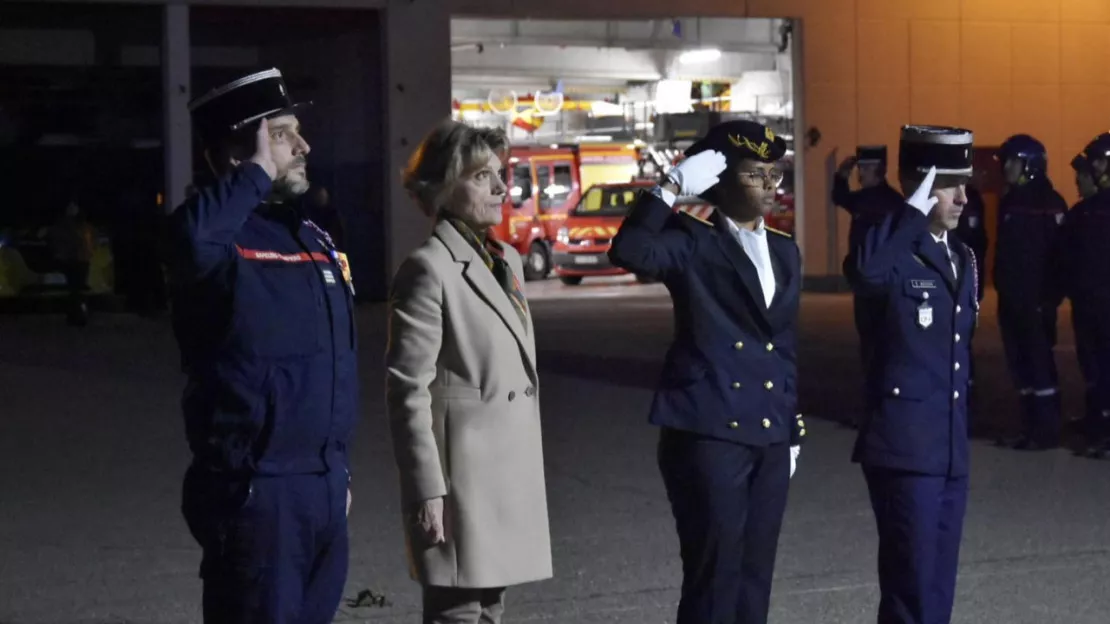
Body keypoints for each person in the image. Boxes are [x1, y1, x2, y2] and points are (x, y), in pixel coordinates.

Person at [165, 68, 358, 623]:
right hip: (258, 493)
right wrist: (255, 171)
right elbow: (192, 242)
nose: (303, 146)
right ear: (235, 150)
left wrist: (335, 474)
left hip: (321, 489)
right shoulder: (215, 237)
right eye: (281, 134)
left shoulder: (307, 235)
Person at [608, 120, 806, 624]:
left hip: (767, 430)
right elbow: (628, 250)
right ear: (717, 178)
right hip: (709, 429)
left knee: (755, 577)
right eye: (754, 174)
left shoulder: (785, 249)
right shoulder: (692, 242)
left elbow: (780, 346)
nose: (768, 185)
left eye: (774, 174)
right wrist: (670, 187)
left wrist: (790, 420)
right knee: (714, 577)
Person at [385, 119, 552, 624]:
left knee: (490, 610)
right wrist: (425, 490)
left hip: (504, 475)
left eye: (502, 173)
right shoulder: (429, 268)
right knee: (458, 611)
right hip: (463, 484)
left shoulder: (508, 262)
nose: (503, 187)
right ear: (441, 186)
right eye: (482, 176)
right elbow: (407, 391)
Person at [845, 125, 980, 624]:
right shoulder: (893, 247)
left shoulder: (962, 257)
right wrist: (911, 209)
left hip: (948, 448)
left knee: (938, 588)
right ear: (919, 184)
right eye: (948, 183)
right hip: (903, 447)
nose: (964, 197)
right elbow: (865, 274)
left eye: (965, 182)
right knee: (910, 588)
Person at [990, 135, 1067, 450]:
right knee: (1019, 364)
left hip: (1036, 302)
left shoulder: (1050, 204)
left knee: (1039, 364)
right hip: (1011, 301)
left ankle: (1047, 430)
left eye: (1012, 161)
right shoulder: (1010, 201)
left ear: (1030, 165)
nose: (1006, 167)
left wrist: (1049, 298)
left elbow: (1062, 256)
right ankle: (1028, 426)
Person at [1055, 134, 1110, 459]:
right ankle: (1097, 422)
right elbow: (1065, 253)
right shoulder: (1086, 211)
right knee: (1093, 367)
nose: (1095, 168)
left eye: (1099, 161)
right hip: (1088, 303)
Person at [47, 199, 95, 326]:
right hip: (79, 261)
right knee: (77, 289)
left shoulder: (74, 227)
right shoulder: (82, 227)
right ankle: (77, 314)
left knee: (75, 289)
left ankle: (76, 315)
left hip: (76, 261)